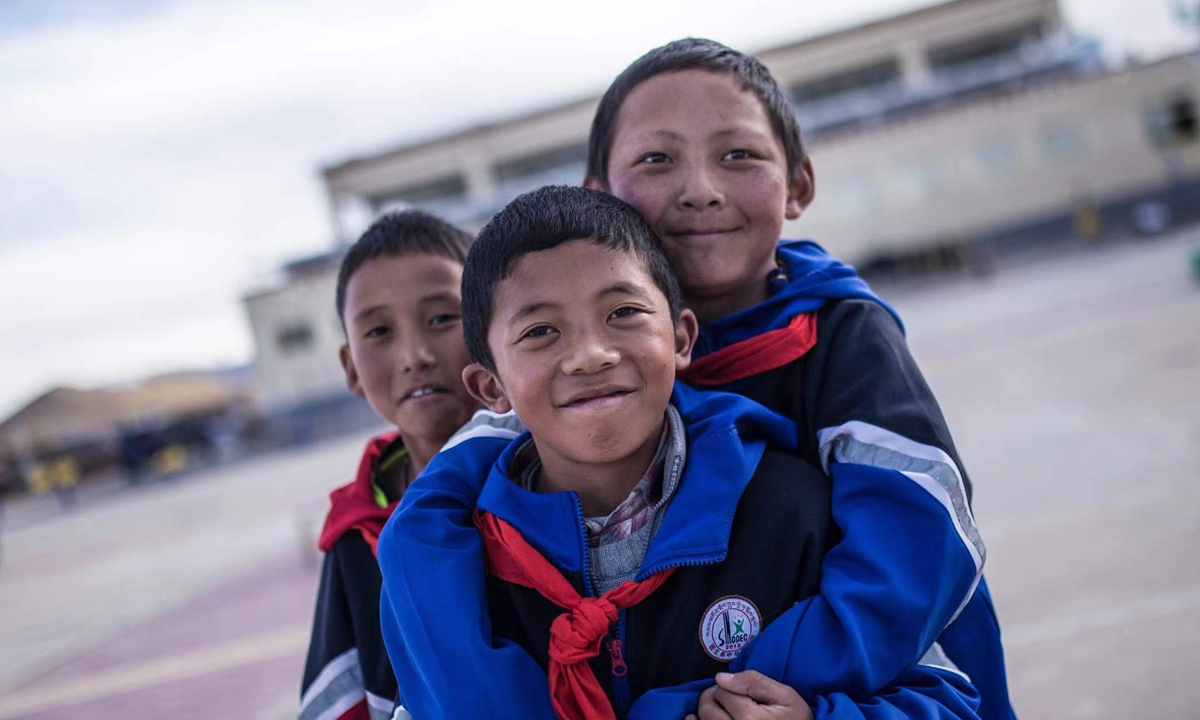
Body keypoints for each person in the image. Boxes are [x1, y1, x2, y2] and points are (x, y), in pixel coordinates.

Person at [382, 38, 1014, 720]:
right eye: (657, 159)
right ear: (600, 193)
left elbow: (921, 549)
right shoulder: (560, 382)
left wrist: (728, 698)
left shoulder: (840, 335)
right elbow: (420, 528)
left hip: (884, 678)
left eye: (737, 155)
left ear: (798, 183)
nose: (701, 190)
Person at [299, 211, 482, 720]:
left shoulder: (554, 482)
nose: (414, 356)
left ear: (493, 326)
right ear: (351, 369)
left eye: (442, 319)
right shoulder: (355, 541)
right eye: (379, 331)